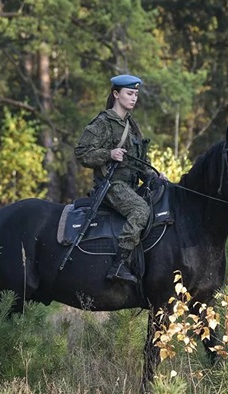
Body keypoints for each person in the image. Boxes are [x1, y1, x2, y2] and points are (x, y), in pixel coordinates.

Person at [75, 74, 158, 284]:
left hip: (132, 185)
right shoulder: (103, 122)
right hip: (112, 185)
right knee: (140, 210)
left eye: (136, 94)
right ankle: (119, 264)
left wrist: (156, 175)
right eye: (129, 93)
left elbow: (140, 163)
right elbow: (82, 153)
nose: (134, 98)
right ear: (115, 94)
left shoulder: (133, 126)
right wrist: (108, 154)